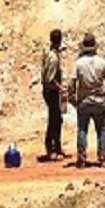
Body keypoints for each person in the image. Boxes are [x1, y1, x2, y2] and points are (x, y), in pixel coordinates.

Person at [69, 32, 105, 168]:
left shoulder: (78, 64)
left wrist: (72, 98)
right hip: (99, 101)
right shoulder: (102, 62)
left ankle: (82, 159)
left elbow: (72, 83)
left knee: (82, 130)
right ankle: (102, 159)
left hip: (84, 101)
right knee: (101, 130)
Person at [40, 29, 67, 161]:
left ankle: (57, 146)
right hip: (51, 92)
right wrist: (60, 87)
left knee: (57, 119)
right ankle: (50, 149)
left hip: (50, 91)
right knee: (54, 120)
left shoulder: (49, 53)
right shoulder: (53, 58)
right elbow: (49, 79)